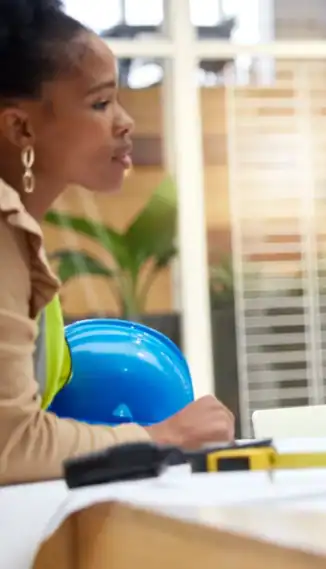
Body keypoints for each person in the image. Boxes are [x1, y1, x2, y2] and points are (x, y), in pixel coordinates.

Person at [0, 0, 234, 486]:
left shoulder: (22, 234)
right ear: (21, 127)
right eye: (100, 103)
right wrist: (162, 436)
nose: (125, 122)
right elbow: (10, 446)